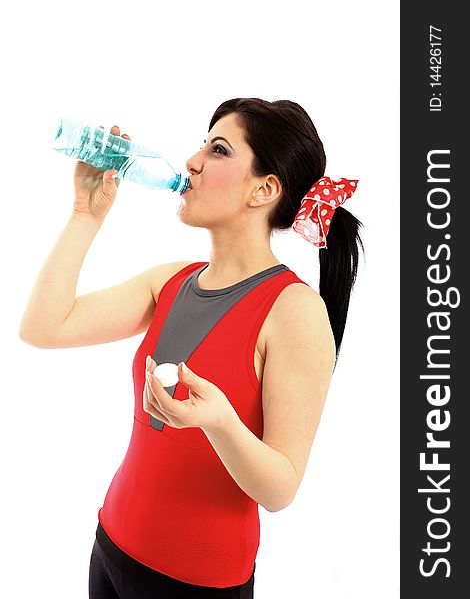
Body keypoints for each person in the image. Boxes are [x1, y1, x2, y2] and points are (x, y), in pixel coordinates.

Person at [19, 97, 364, 598]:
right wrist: (84, 215)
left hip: (196, 582)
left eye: (219, 150)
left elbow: (280, 489)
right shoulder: (171, 282)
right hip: (111, 547)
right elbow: (43, 327)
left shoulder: (294, 310)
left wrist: (221, 423)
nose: (192, 161)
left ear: (264, 189)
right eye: (203, 143)